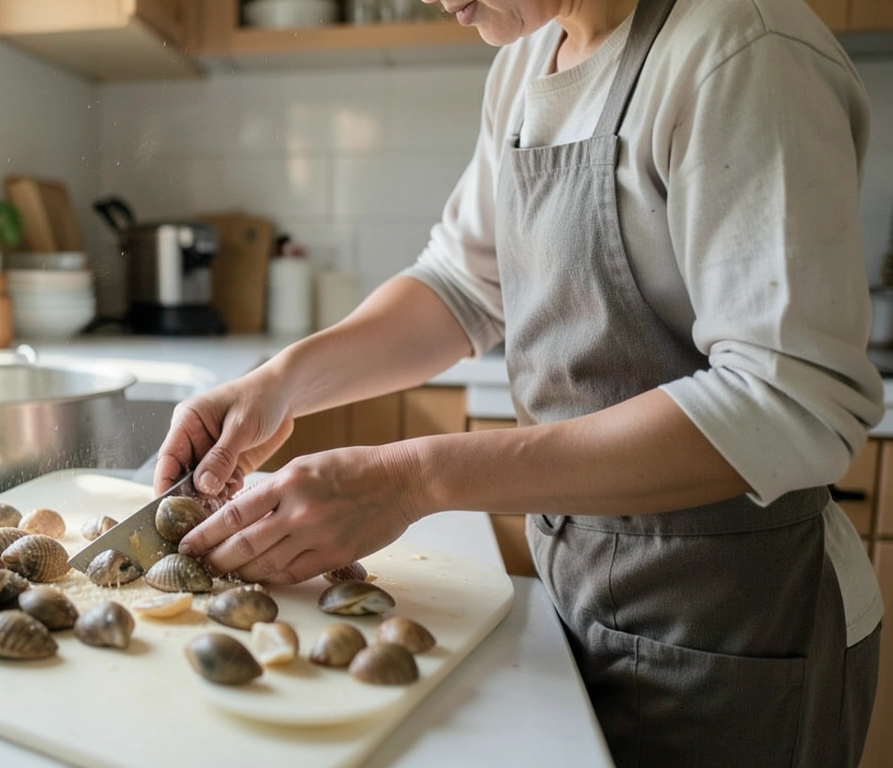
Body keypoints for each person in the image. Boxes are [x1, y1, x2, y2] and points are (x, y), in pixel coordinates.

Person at [153, 0, 885, 764]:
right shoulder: (526, 62)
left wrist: (413, 479)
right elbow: (463, 284)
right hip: (576, 597)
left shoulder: (740, 49)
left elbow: (787, 400)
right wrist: (277, 383)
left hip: (735, 629)